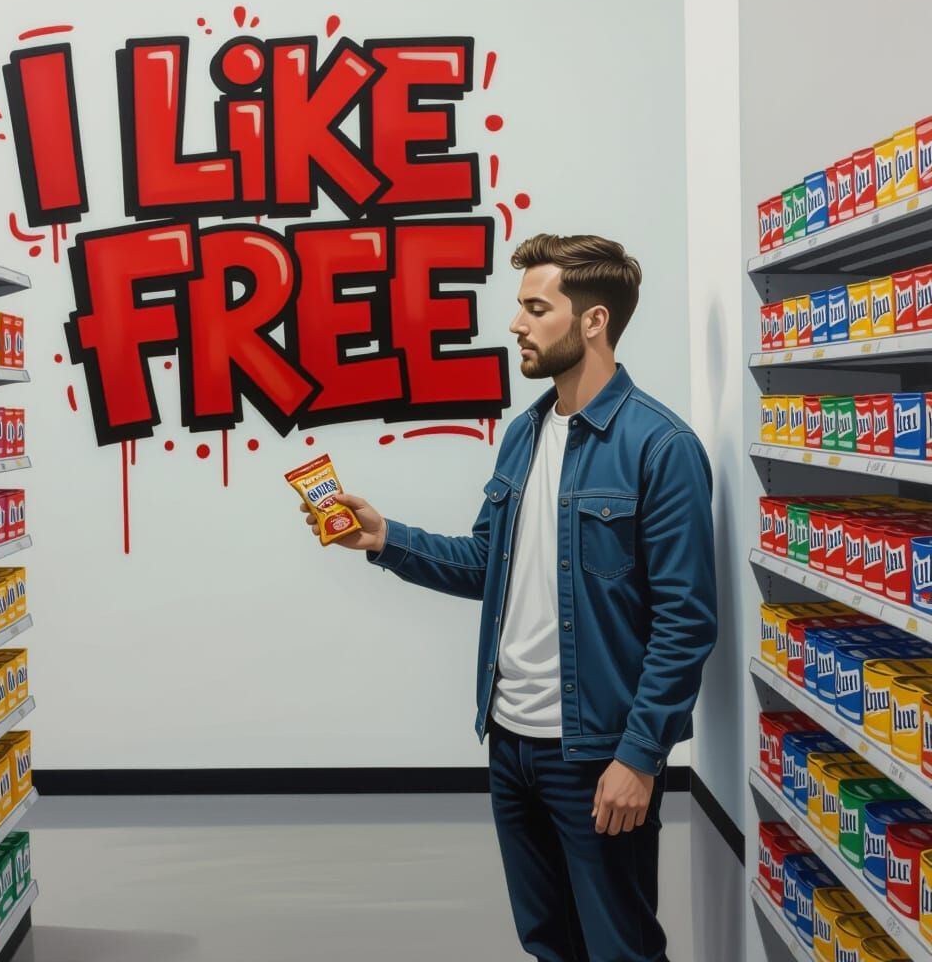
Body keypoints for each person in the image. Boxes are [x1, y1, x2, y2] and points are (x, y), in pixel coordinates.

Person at [299, 233, 717, 962]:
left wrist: (641, 756)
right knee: (548, 943)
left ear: (592, 321)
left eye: (534, 307)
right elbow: (486, 564)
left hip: (595, 752)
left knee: (620, 948)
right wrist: (384, 538)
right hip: (510, 743)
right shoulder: (524, 436)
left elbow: (687, 622)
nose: (517, 325)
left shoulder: (660, 446)